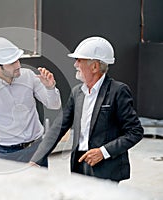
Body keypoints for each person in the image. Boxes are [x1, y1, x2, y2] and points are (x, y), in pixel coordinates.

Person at [30, 36, 144, 182]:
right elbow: (59, 127)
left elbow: (135, 132)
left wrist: (103, 152)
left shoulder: (118, 91)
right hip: (79, 165)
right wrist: (36, 159)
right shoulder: (77, 92)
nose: (75, 64)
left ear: (95, 66)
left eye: (79, 60)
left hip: (106, 168)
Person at [0, 37, 61, 167]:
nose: (18, 65)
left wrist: (50, 88)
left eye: (17, 60)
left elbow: (54, 105)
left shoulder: (29, 76)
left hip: (37, 148)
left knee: (41, 187)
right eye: (11, 63)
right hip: (9, 154)